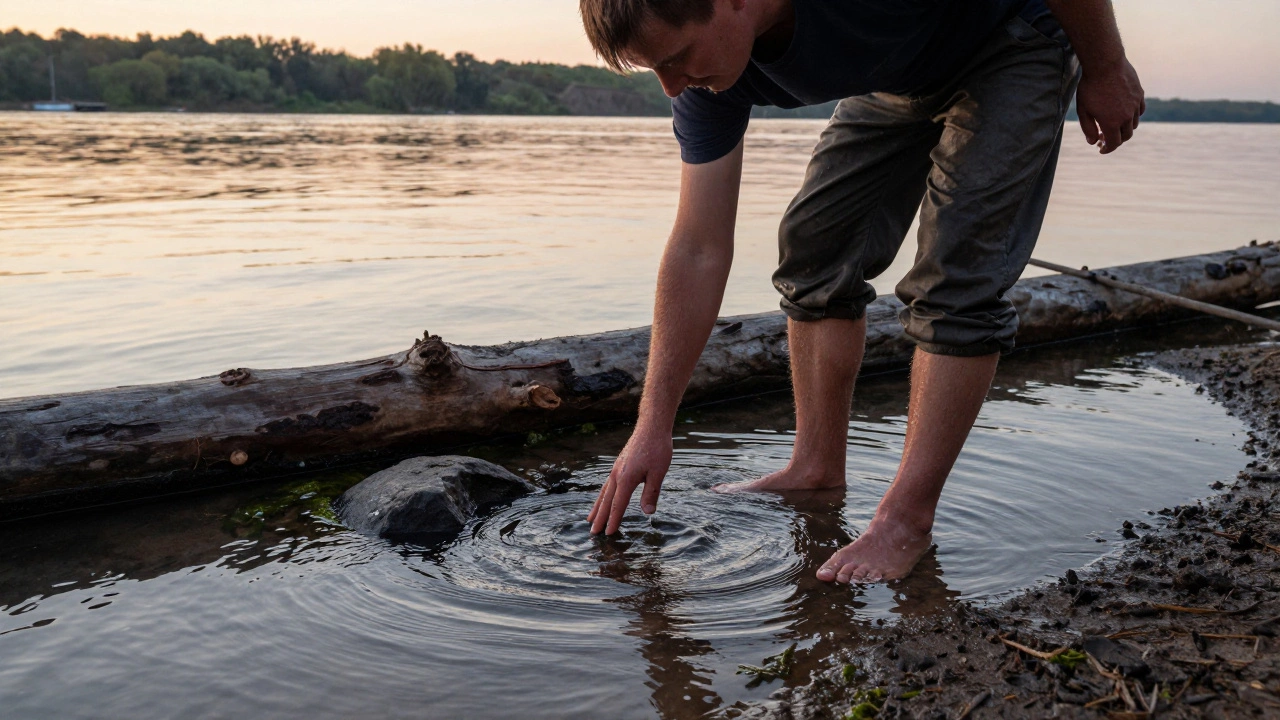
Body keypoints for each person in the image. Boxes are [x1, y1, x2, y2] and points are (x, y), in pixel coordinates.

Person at [582, 0, 1145, 583]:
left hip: (1009, 38)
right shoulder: (704, 85)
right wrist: (653, 425)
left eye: (675, 58)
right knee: (816, 247)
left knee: (957, 274)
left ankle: (906, 520)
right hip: (900, 75)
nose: (672, 87)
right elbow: (699, 246)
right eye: (654, 70)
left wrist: (1106, 66)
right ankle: (815, 467)